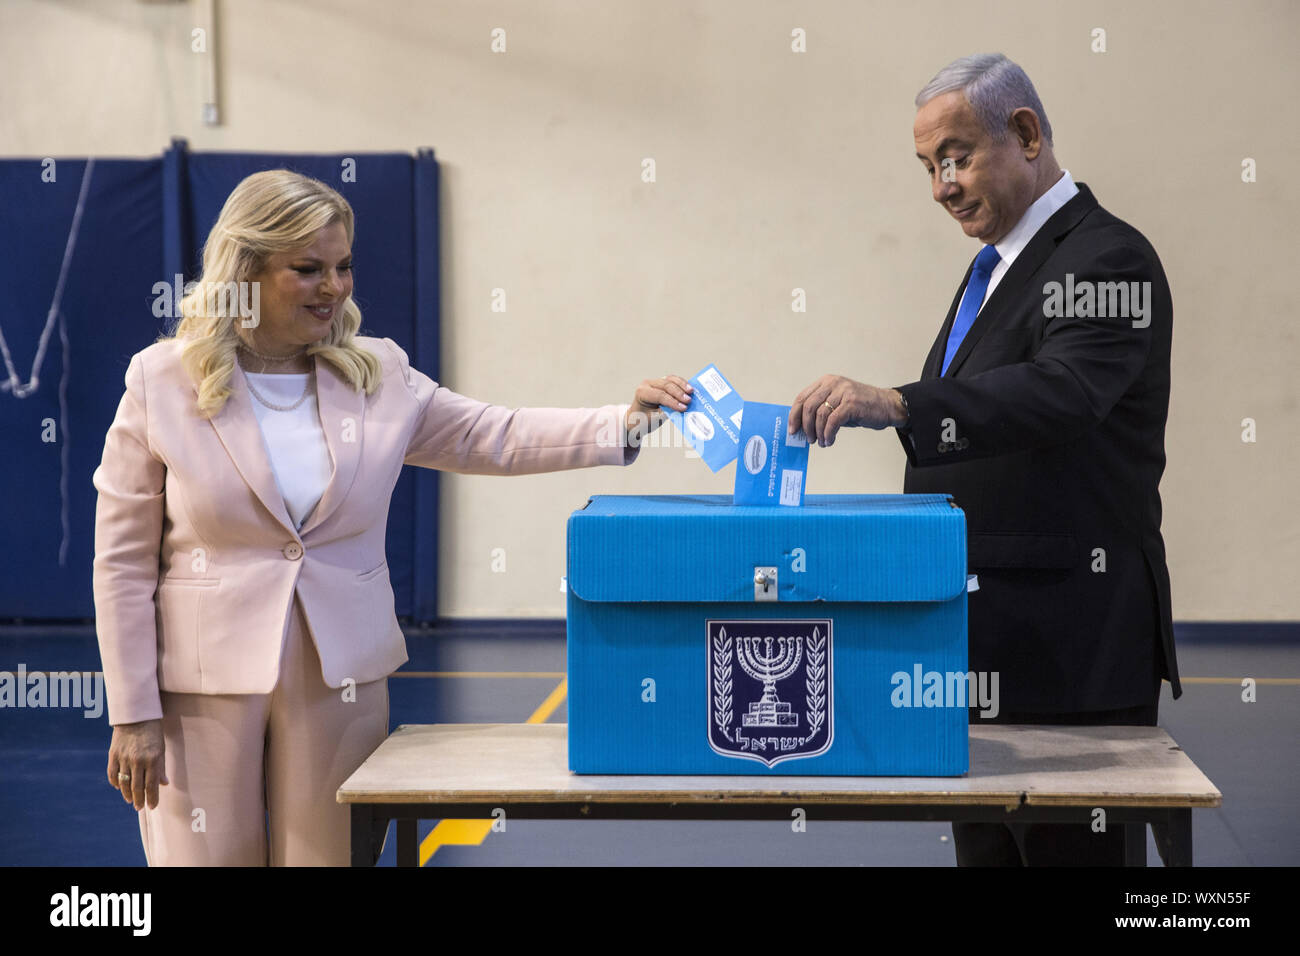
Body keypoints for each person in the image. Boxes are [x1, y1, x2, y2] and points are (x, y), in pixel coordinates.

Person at [93, 168, 690, 866]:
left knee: (331, 859)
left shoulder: (377, 373)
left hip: (341, 673)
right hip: (199, 686)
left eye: (344, 266)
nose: (335, 287)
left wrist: (628, 422)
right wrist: (133, 713)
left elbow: (492, 435)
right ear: (246, 271)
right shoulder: (160, 379)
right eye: (308, 269)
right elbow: (124, 563)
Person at [788, 53, 1181, 865]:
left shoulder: (1108, 258)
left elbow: (1062, 392)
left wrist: (899, 402)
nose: (941, 185)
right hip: (981, 640)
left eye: (958, 156)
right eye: (930, 166)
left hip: (1070, 644)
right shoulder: (993, 270)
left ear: (1026, 134)